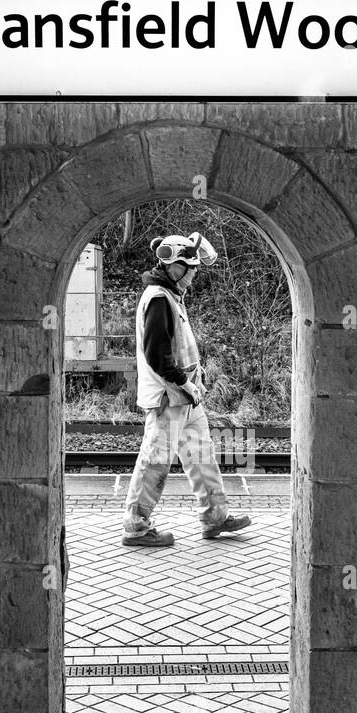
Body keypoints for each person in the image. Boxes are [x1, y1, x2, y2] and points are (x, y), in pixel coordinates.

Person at [122, 230, 252, 549]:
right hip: (170, 397)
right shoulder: (158, 299)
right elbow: (157, 354)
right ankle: (136, 527)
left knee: (201, 456)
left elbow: (178, 347)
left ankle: (215, 517)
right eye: (191, 268)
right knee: (156, 459)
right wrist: (184, 381)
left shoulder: (171, 296)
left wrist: (193, 379)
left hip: (187, 397)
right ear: (175, 267)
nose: (194, 275)